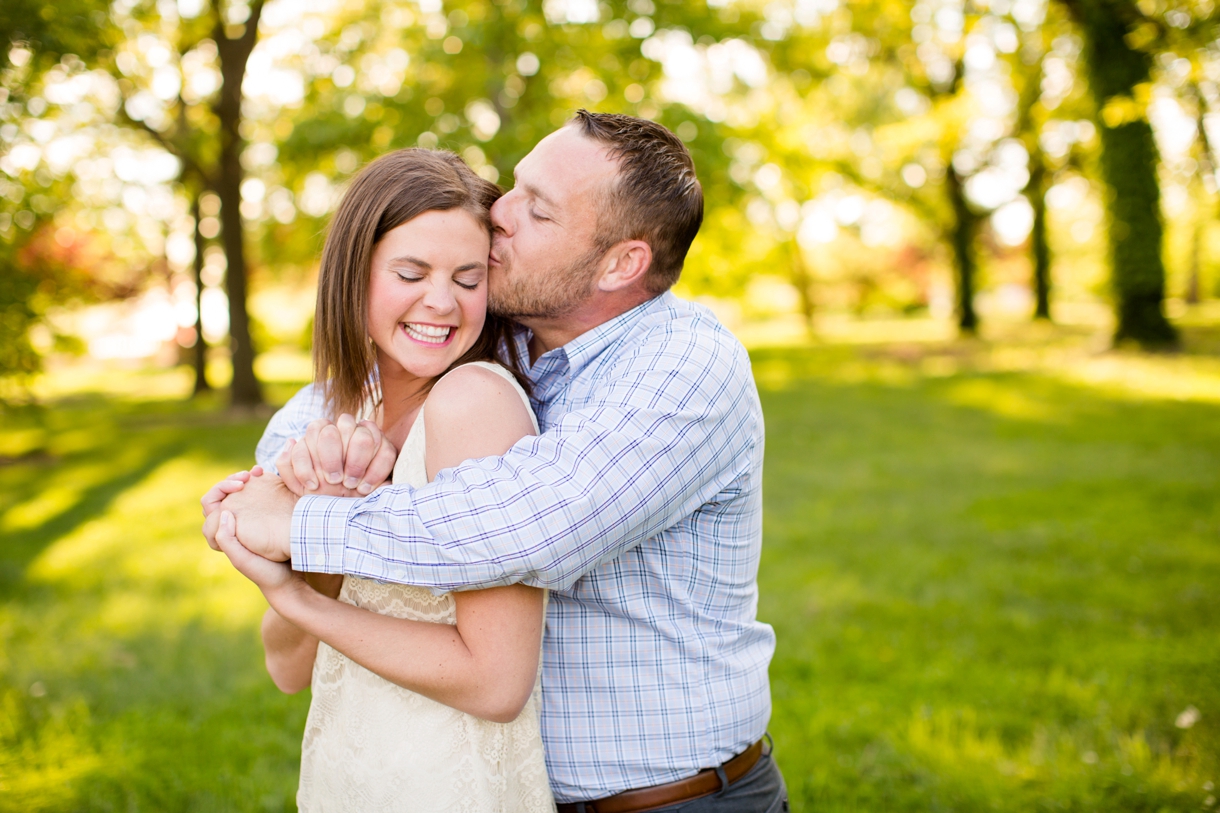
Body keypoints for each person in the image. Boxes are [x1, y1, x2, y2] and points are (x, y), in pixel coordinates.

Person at [206, 111, 788, 812]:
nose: (500, 214)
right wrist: (281, 486)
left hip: (673, 799)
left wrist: (301, 526)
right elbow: (308, 450)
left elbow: (519, 530)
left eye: (537, 209)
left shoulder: (682, 365)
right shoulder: (486, 341)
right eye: (515, 186)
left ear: (621, 262)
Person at [209, 148, 555, 812]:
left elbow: (497, 680)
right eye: (410, 271)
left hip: (453, 790)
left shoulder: (472, 404)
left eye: (467, 276)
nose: (441, 301)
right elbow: (289, 668)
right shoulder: (349, 414)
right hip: (350, 777)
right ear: (354, 274)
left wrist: (299, 594)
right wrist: (291, 556)